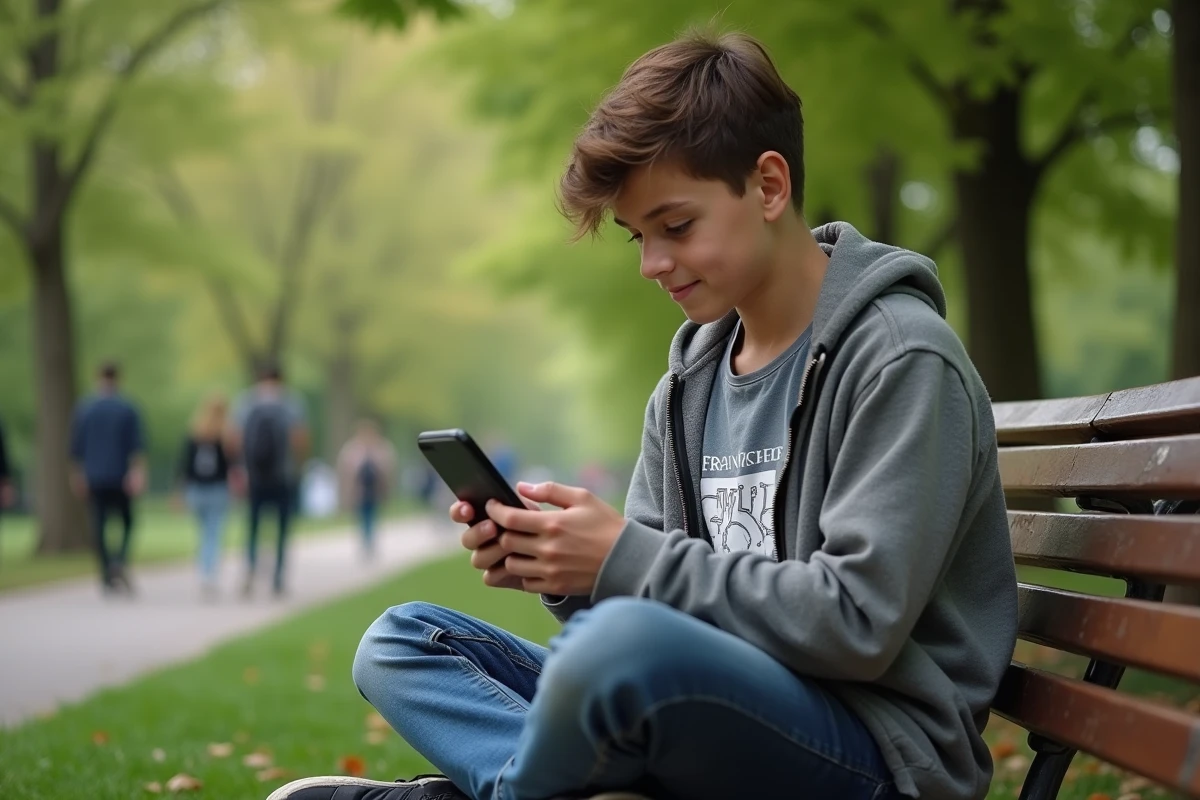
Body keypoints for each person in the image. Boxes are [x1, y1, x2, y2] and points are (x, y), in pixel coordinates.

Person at [271, 31, 1018, 800]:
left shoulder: (899, 359)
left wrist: (620, 558)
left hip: (873, 750)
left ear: (767, 187)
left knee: (619, 650)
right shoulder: (691, 378)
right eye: (638, 237)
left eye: (676, 226)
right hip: (712, 714)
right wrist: (562, 566)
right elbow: (650, 597)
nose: (651, 264)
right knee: (401, 643)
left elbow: (858, 624)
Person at [230, 361, 309, 598]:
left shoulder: (247, 401)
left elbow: (235, 438)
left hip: (254, 475)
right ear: (281, 378)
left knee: (253, 525)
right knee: (282, 528)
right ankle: (277, 577)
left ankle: (251, 570)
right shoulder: (292, 402)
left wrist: (239, 467)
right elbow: (299, 438)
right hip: (283, 475)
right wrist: (298, 466)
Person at [70, 362, 147, 594]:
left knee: (99, 524)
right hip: (120, 475)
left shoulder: (85, 408)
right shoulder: (128, 407)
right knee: (127, 521)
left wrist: (78, 475)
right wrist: (137, 472)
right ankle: (119, 560)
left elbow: (76, 448)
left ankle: (106, 573)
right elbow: (137, 446)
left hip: (94, 476)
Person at [178, 393, 233, 598]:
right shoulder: (225, 435)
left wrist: (180, 490)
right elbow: (230, 465)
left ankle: (204, 570)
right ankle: (209, 573)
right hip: (217, 488)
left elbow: (184, 465)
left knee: (204, 533)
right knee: (214, 533)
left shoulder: (194, 432)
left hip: (197, 489)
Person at [336, 419, 398, 560]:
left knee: (372, 516)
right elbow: (346, 472)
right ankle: (365, 541)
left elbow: (388, 470)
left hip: (374, 491)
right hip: (360, 491)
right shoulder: (353, 449)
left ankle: (369, 541)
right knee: (362, 517)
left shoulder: (381, 448)